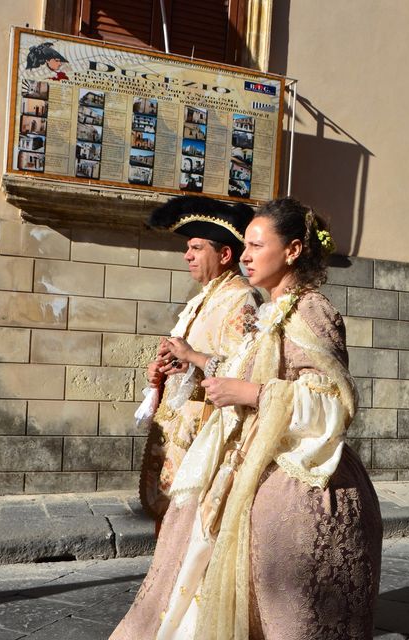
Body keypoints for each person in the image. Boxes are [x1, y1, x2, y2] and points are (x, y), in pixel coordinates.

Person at [111, 197, 383, 640]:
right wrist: (197, 371)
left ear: (292, 250)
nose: (245, 255)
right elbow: (243, 375)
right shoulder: (272, 311)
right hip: (239, 464)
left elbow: (334, 403)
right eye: (245, 246)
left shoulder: (313, 311)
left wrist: (253, 393)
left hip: (287, 474)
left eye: (256, 245)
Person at [138, 195, 262, 524]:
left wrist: (190, 355)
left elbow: (245, 369)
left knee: (193, 527)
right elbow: (191, 366)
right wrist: (164, 371)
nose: (187, 256)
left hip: (205, 430)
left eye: (196, 248)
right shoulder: (202, 298)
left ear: (224, 254)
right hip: (178, 425)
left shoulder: (241, 298)